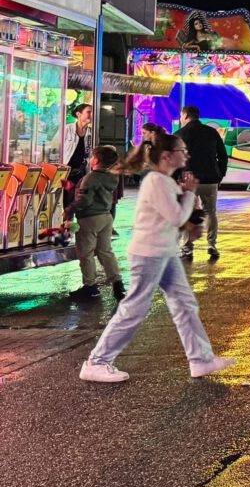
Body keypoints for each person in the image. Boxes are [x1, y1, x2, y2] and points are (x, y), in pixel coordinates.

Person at [78, 131, 234, 383]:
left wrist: (186, 197)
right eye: (182, 150)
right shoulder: (156, 182)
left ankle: (201, 359)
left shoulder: (166, 182)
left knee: (184, 303)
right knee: (135, 308)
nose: (187, 154)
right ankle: (97, 361)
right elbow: (176, 217)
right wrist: (190, 194)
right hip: (149, 253)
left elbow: (178, 219)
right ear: (166, 156)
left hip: (165, 252)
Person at [176, 106, 229, 261]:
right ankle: (211, 244)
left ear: (185, 116)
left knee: (187, 212)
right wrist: (220, 175)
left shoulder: (180, 134)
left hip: (188, 180)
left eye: (181, 116)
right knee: (211, 212)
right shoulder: (211, 132)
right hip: (210, 180)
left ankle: (187, 247)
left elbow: (176, 160)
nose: (180, 118)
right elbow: (223, 156)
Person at [72, 145, 125, 300]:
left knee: (86, 253)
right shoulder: (111, 177)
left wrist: (71, 209)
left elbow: (84, 200)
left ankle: (90, 286)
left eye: (92, 156)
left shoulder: (91, 178)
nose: (90, 159)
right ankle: (117, 283)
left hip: (89, 219)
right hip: (106, 217)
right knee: (105, 252)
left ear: (96, 160)